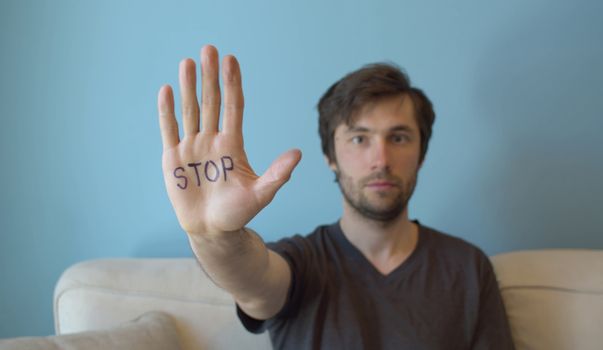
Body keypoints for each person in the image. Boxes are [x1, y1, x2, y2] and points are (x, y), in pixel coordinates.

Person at [157, 45, 515, 350]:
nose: (381, 159)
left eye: (400, 137)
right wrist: (213, 236)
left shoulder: (468, 268)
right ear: (330, 155)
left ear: (421, 152)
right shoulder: (300, 262)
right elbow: (253, 284)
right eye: (359, 138)